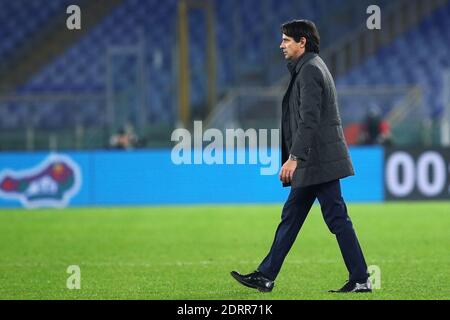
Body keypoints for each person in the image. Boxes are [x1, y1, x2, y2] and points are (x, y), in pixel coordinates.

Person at [231, 20, 371, 293]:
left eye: (286, 40)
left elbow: (309, 120)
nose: (281, 45)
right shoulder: (311, 67)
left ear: (302, 42)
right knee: (294, 216)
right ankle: (266, 275)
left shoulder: (309, 71)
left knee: (335, 217)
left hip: (317, 160)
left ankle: (361, 278)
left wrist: (294, 157)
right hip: (315, 160)